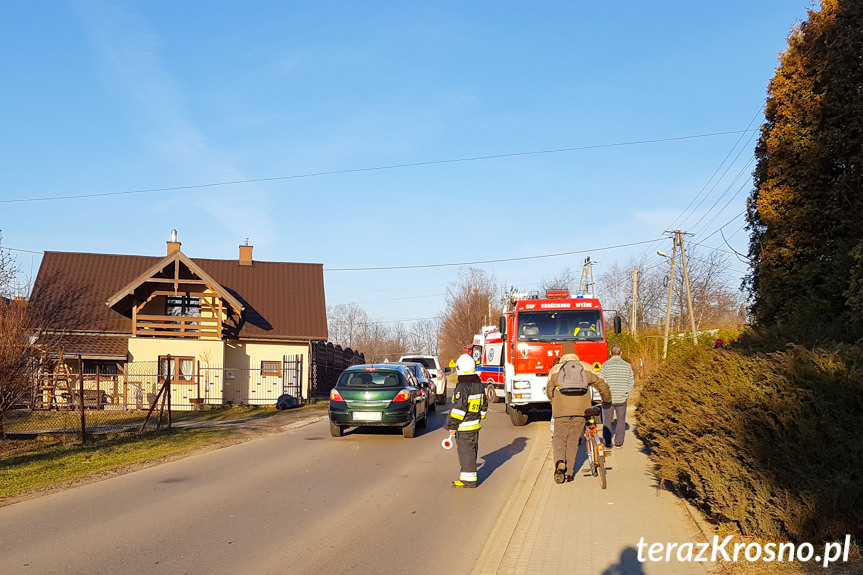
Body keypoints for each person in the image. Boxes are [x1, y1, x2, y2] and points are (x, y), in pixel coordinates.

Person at [546, 342, 611, 484]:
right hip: (582, 410)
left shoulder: (556, 369)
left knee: (558, 438)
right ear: (575, 353)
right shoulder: (585, 367)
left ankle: (559, 464)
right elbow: (602, 383)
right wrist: (607, 399)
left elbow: (549, 390)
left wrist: (554, 401)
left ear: (562, 354)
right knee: (573, 441)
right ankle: (569, 474)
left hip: (561, 410)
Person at [445, 353, 488, 488]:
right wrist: (479, 417)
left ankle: (469, 481)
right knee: (472, 450)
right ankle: (466, 477)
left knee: (466, 453)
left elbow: (459, 409)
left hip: (464, 427)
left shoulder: (463, 387)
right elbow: (484, 405)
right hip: (475, 425)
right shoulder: (479, 385)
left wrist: (452, 426)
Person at [599, 343, 636, 450]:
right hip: (622, 398)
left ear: (610, 353)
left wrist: (602, 395)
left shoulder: (605, 365)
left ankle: (607, 442)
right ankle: (619, 442)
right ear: (621, 353)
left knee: (607, 420)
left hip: (608, 398)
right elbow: (631, 382)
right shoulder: (627, 366)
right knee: (621, 420)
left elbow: (601, 382)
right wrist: (626, 394)